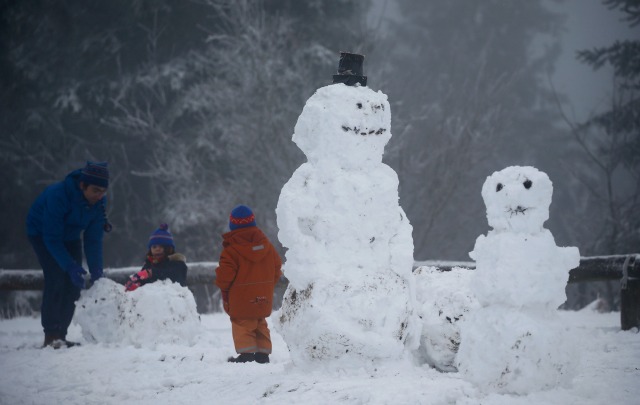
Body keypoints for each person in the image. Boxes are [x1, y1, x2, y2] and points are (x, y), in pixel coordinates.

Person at [26, 161, 111, 349]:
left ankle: (61, 335)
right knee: (56, 277)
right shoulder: (58, 196)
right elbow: (52, 238)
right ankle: (51, 335)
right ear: (83, 185)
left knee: (74, 284)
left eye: (103, 191)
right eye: (96, 190)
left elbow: (93, 240)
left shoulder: (99, 203)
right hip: (42, 234)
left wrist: (97, 271)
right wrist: (69, 265)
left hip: (71, 236)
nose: (100, 196)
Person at [216, 205, 282, 364]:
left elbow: (226, 275)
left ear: (232, 225)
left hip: (241, 297)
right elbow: (277, 266)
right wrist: (267, 285)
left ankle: (246, 355)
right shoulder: (266, 245)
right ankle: (263, 354)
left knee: (242, 323)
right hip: (263, 295)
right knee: (260, 322)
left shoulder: (231, 250)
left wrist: (221, 283)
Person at [124, 223, 187, 292]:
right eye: (154, 247)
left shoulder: (178, 264)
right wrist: (135, 282)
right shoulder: (148, 265)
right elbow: (143, 283)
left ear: (169, 249)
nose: (157, 249)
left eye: (161, 246)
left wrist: (152, 273)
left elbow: (173, 275)